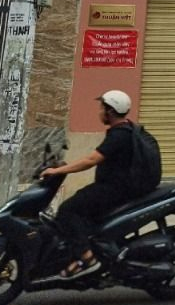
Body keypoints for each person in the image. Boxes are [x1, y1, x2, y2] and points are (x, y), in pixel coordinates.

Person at [41, 89, 139, 278]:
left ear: (110, 111)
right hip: (116, 187)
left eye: (102, 108)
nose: (99, 112)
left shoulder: (119, 136)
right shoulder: (124, 130)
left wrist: (58, 171)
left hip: (113, 189)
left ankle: (87, 257)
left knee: (67, 210)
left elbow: (91, 160)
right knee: (83, 209)